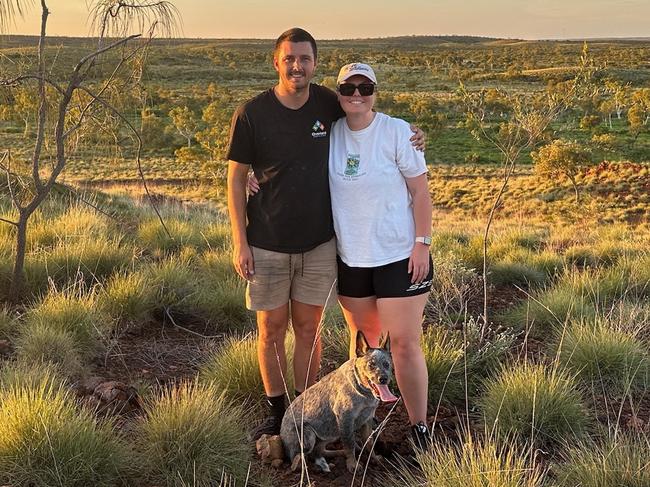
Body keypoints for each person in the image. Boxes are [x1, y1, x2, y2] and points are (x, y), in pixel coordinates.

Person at [226, 28, 424, 440]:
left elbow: (369, 114)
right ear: (276, 61)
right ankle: (276, 409)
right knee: (270, 330)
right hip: (266, 241)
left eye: (305, 59)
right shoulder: (252, 113)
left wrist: (416, 134)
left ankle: (304, 406)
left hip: (319, 244)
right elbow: (235, 175)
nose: (296, 66)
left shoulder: (327, 103)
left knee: (309, 330)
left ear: (315, 64)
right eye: (289, 58)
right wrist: (239, 240)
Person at [329, 62, 433, 449]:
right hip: (352, 259)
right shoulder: (329, 133)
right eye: (349, 87)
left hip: (399, 256)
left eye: (365, 86)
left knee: (404, 343)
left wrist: (422, 242)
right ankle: (363, 424)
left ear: (375, 91)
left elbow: (421, 193)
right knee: (366, 348)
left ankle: (419, 426)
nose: (357, 93)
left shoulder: (397, 132)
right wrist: (253, 175)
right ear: (338, 93)